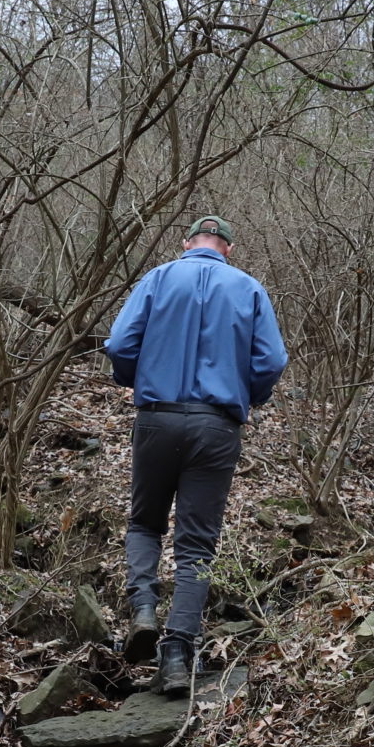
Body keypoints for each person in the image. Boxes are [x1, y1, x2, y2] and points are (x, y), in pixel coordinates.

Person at [103, 214, 288, 695]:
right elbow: (272, 360)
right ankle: (177, 657)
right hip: (216, 425)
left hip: (157, 417)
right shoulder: (248, 288)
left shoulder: (158, 278)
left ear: (187, 243)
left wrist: (133, 380)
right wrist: (247, 396)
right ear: (229, 248)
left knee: (145, 523)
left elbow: (120, 343)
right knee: (197, 546)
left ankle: (143, 608)